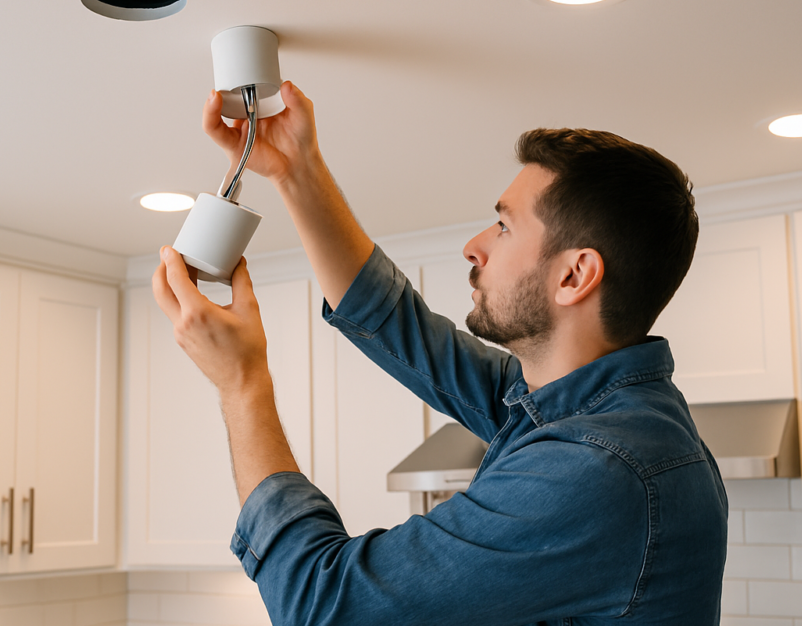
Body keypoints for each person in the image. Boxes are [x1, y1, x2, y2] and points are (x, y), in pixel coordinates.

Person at [151, 81, 727, 625]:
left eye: (503, 226)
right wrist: (296, 169)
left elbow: (324, 604)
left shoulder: (599, 468)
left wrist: (242, 384)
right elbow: (401, 328)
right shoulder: (577, 408)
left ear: (574, 275)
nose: (473, 246)